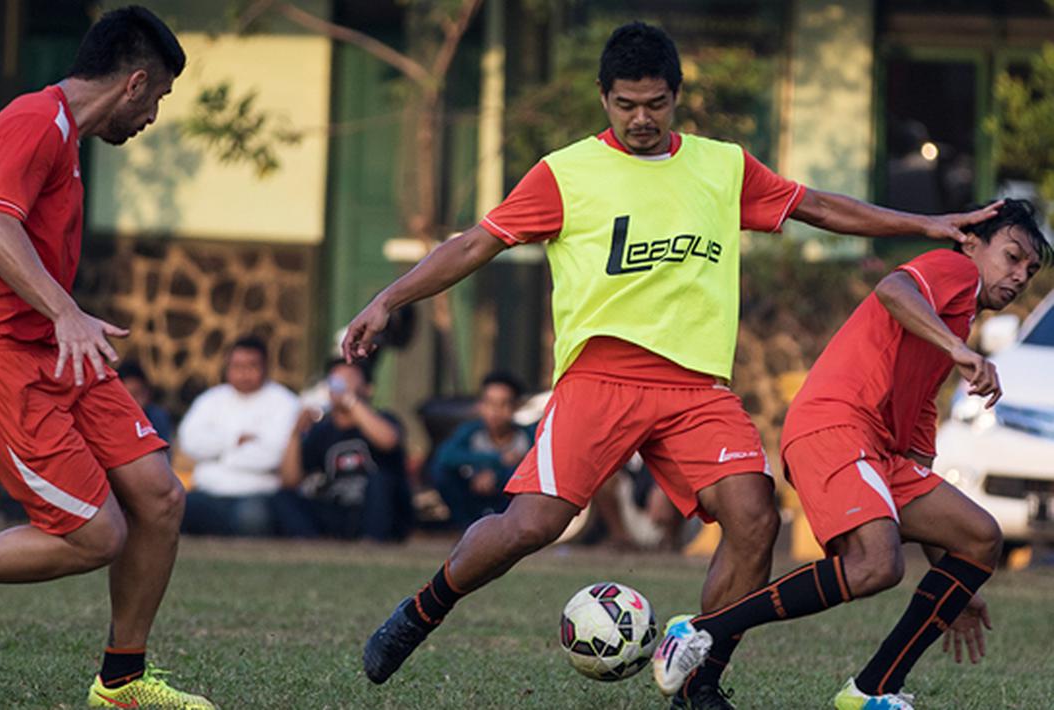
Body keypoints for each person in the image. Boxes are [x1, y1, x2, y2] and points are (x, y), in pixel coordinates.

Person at [342, 21, 1001, 708]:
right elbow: (477, 243)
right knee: (529, 527)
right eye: (625, 104)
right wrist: (389, 297)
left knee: (755, 520)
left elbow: (819, 207)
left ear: (675, 97)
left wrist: (922, 224)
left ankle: (696, 680)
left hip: (695, 391)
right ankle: (425, 608)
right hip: (599, 379)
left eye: (654, 103)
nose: (639, 118)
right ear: (603, 98)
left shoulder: (721, 166)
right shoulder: (565, 172)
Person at [0, 8, 213, 708]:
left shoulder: (63, 136)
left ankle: (121, 681)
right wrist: (63, 313)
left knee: (157, 495)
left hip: (50, 350)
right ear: (135, 83)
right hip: (0, 358)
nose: (151, 118)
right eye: (158, 101)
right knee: (94, 536)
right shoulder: (35, 121)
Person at [653, 199, 1050, 709]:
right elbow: (893, 288)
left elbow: (921, 468)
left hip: (878, 450)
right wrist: (959, 351)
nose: (1020, 276)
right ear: (971, 242)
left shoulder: (953, 325)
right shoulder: (952, 268)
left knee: (978, 538)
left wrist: (955, 584)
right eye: (1012, 257)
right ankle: (701, 630)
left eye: (1031, 270)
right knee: (876, 565)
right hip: (834, 426)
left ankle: (871, 691)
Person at [277, 359, 412, 542]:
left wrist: (351, 401)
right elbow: (290, 481)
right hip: (339, 508)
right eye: (335, 378)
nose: (339, 383)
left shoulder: (384, 418)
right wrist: (295, 434)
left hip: (378, 510)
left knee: (381, 481)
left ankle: (372, 541)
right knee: (284, 498)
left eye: (349, 378)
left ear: (368, 388)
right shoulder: (322, 430)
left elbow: (388, 441)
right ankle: (311, 544)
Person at [177, 336, 299, 536]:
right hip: (207, 493)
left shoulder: (285, 403)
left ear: (266, 367)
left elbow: (274, 455)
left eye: (251, 366)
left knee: (253, 519)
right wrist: (234, 440)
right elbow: (190, 442)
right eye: (237, 366)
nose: (244, 373)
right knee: (174, 509)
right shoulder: (210, 400)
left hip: (256, 495)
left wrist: (219, 456)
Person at [430, 371, 532, 529]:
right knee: (441, 471)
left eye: (503, 404)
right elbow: (445, 455)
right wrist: (495, 461)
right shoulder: (471, 432)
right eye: (490, 404)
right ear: (481, 405)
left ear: (516, 407)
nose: (495, 412)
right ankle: (465, 525)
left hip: (506, 501)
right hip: (472, 494)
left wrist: (497, 476)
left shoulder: (526, 437)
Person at [118, 361, 173, 445]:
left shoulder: (158, 417)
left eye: (139, 394)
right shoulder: (112, 422)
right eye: (130, 396)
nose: (135, 402)